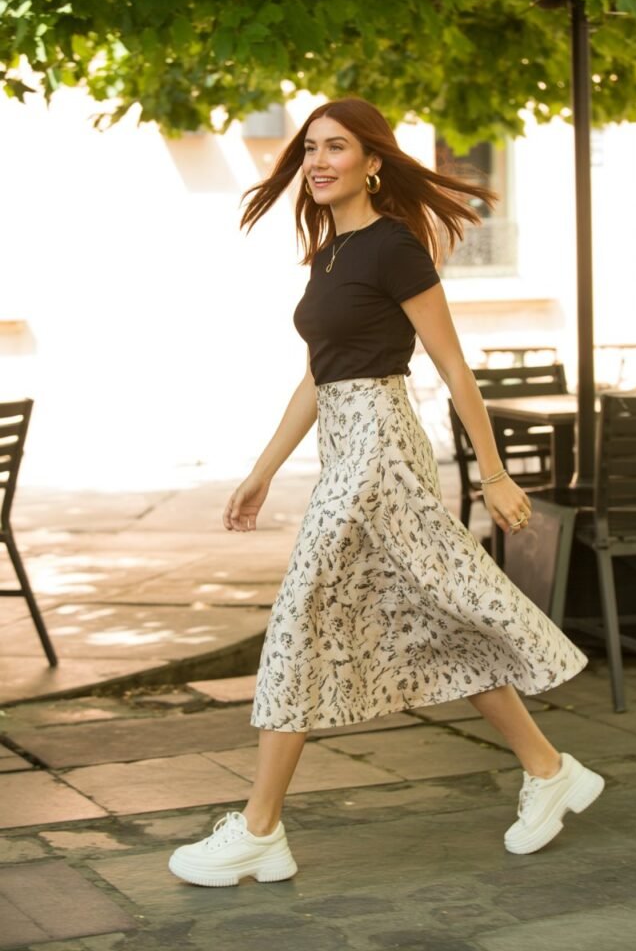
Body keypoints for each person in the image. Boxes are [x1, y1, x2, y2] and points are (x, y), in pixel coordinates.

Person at [168, 97, 604, 888]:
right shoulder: (330, 253)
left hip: (380, 450)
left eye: (337, 147)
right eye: (309, 150)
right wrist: (263, 471)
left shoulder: (395, 247)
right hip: (344, 442)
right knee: (429, 615)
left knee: (301, 618)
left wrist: (496, 471)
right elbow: (317, 374)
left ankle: (261, 828)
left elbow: (453, 365)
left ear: (374, 161)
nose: (319, 161)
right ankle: (548, 769)